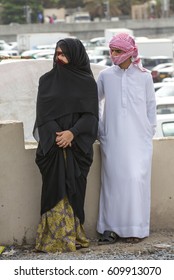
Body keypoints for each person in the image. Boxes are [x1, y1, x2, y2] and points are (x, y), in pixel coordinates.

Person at [33, 38, 98, 253]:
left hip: (77, 147)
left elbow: (90, 117)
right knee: (53, 190)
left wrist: (72, 133)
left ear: (76, 55)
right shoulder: (46, 80)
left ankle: (74, 237)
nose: (59, 58)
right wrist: (58, 136)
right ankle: (52, 240)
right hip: (53, 147)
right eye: (57, 53)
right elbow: (43, 116)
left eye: (64, 54)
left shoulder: (88, 83)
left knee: (75, 191)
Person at [97, 33, 157, 244]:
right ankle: (110, 229)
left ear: (130, 52)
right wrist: (100, 129)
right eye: (112, 51)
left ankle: (136, 229)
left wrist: (150, 130)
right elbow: (95, 103)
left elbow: (151, 106)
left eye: (118, 51)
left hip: (139, 138)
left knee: (135, 180)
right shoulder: (105, 76)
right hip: (113, 138)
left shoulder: (144, 76)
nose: (114, 55)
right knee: (113, 182)